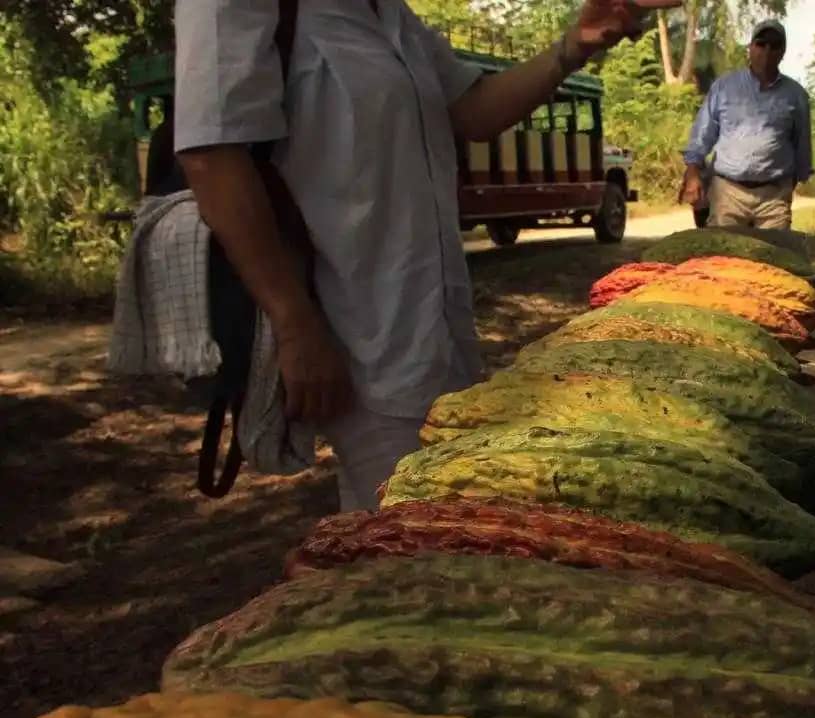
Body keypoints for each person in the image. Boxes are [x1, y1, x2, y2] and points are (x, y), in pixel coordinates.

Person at [174, 0, 662, 512]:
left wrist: (574, 45)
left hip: (435, 327)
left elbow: (473, 109)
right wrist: (295, 324)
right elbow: (211, 155)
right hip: (354, 335)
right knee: (407, 534)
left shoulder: (386, 12)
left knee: (448, 526)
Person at [678, 20, 813, 230]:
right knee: (724, 259)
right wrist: (693, 174)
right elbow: (702, 135)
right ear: (750, 48)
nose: (767, 51)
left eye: (775, 45)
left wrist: (789, 185)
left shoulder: (795, 95)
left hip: (774, 197)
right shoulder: (724, 87)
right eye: (761, 44)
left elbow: (801, 144)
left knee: (773, 258)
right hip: (727, 193)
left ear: (783, 51)